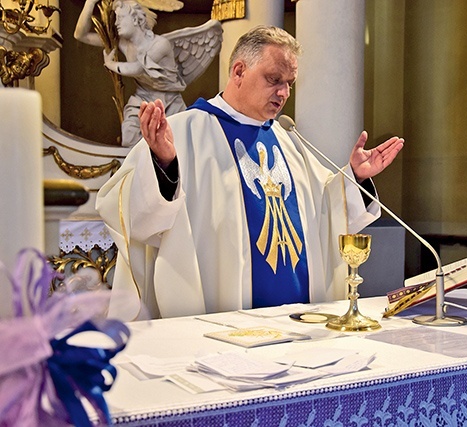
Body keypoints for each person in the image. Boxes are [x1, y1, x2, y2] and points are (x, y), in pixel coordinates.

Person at [96, 25, 404, 320]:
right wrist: (164, 166)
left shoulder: (288, 139)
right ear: (239, 71)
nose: (284, 93)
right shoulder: (182, 132)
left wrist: (355, 178)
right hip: (218, 327)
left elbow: (325, 210)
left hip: (298, 322)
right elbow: (124, 212)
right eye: (274, 79)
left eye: (289, 83)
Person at [75, 0, 187, 147]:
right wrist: (90, 3)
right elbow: (80, 35)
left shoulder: (160, 44)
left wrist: (110, 64)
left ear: (135, 19)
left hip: (170, 103)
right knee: (129, 139)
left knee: (177, 146)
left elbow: (138, 68)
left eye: (120, 18)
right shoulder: (124, 44)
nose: (116, 24)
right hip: (143, 99)